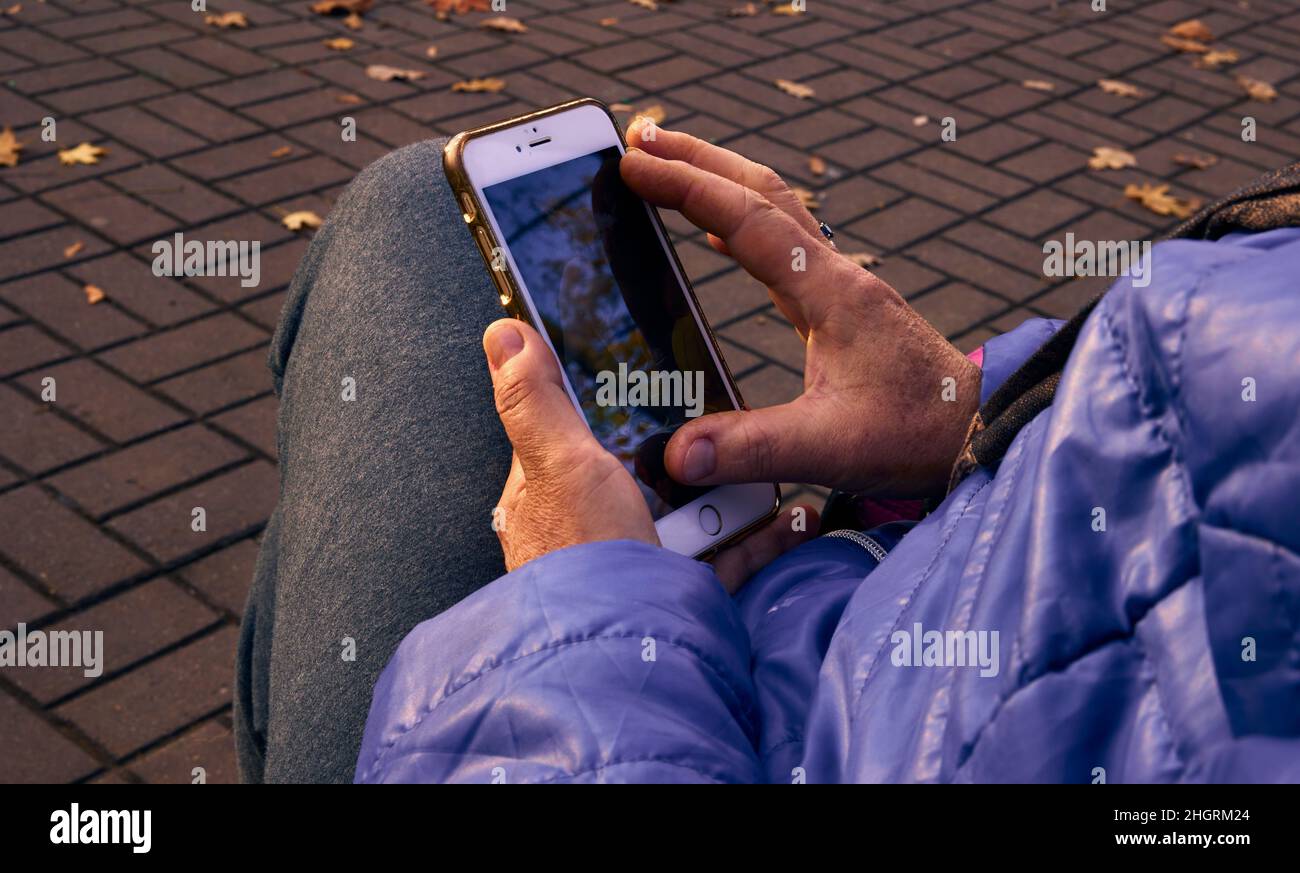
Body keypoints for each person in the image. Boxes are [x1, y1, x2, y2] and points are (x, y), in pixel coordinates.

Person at [235, 119, 1300, 784]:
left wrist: (572, 614)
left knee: (417, 211)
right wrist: (978, 418)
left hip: (670, 704)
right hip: (865, 582)